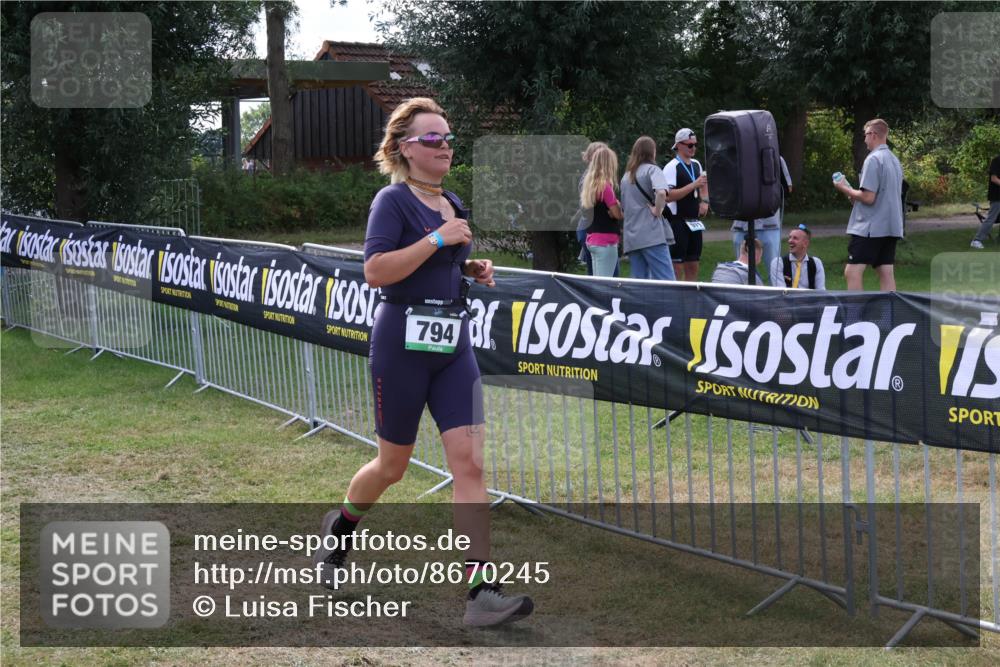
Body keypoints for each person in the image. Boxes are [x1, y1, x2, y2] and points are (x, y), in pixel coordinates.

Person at [312, 97, 533, 627]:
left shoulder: (453, 201)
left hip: (453, 345)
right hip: (402, 345)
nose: (444, 146)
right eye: (432, 139)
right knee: (393, 465)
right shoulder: (392, 202)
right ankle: (340, 527)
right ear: (404, 149)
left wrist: (469, 268)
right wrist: (437, 239)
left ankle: (481, 593)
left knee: (471, 464)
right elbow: (376, 270)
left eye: (448, 137)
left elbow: (439, 267)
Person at [834, 118, 904, 291]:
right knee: (885, 272)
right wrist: (854, 195)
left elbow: (868, 197)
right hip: (892, 226)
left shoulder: (873, 159)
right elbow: (881, 195)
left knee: (852, 271)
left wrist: (844, 188)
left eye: (865, 135)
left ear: (873, 134)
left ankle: (856, 316)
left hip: (871, 228)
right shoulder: (894, 160)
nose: (864, 139)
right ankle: (890, 316)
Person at [619, 136, 675, 280]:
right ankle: (670, 304)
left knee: (640, 282)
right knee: (666, 280)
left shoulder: (626, 177)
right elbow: (662, 192)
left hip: (632, 236)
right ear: (652, 152)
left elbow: (624, 207)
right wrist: (657, 210)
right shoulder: (653, 170)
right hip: (651, 234)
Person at [731, 156, 792, 283]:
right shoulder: (736, 157)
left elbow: (787, 188)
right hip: (741, 223)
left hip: (769, 224)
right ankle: (750, 299)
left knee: (774, 269)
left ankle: (777, 301)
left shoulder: (775, 158)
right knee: (743, 268)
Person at [663, 128, 710, 282]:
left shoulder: (696, 164)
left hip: (694, 221)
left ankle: (690, 300)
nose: (693, 148)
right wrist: (693, 185)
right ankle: (675, 299)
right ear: (679, 145)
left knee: (693, 263)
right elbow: (668, 196)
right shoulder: (671, 167)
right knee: (676, 266)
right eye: (690, 145)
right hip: (678, 221)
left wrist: (704, 201)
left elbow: (704, 183)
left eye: (695, 145)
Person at [581, 145, 623, 277]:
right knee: (605, 284)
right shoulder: (605, 186)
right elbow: (617, 213)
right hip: (606, 240)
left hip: (592, 238)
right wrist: (618, 207)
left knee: (597, 283)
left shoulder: (590, 185)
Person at [575, 141, 610, 274]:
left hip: (590, 229)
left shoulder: (595, 177)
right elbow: (587, 207)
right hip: (591, 230)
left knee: (598, 273)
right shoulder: (591, 179)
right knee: (600, 274)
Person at [769, 224, 826, 290]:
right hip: (786, 300)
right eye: (790, 237)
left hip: (810, 300)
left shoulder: (816, 263)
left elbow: (821, 291)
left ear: (805, 243)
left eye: (795, 238)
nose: (790, 241)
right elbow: (781, 292)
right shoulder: (778, 263)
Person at [970, 153, 1000, 249]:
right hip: (997, 196)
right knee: (991, 219)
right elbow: (994, 179)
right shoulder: (997, 160)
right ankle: (976, 240)